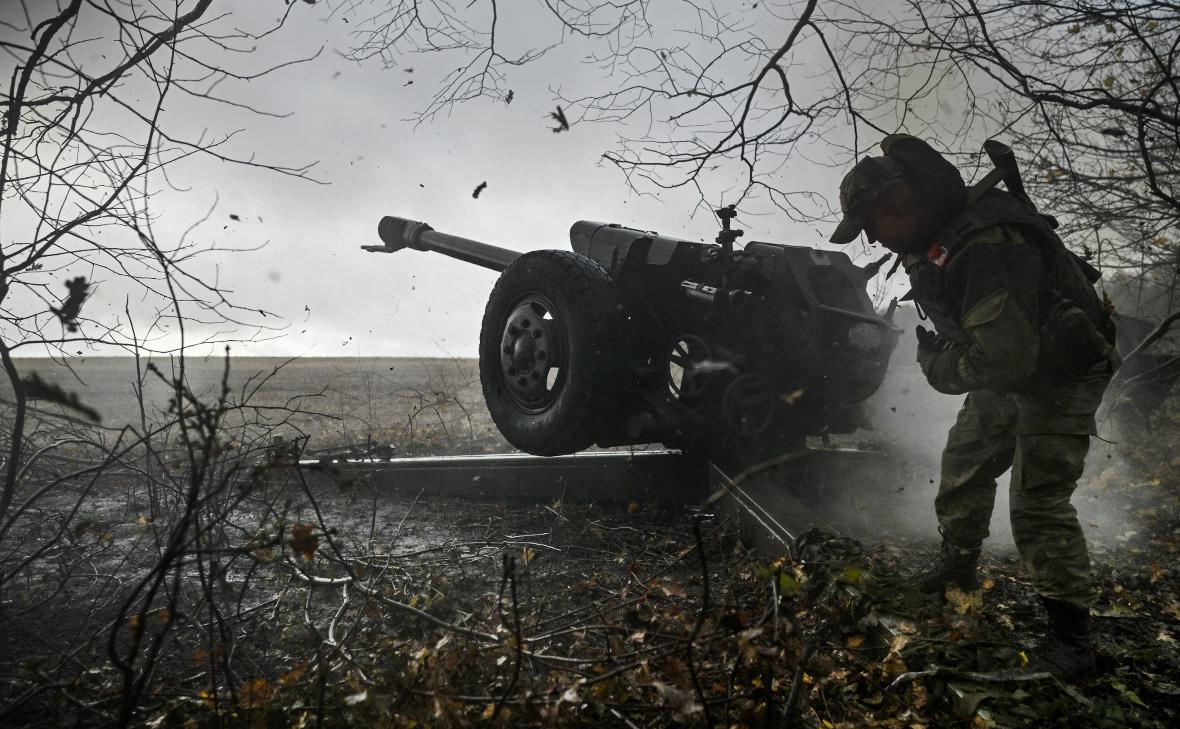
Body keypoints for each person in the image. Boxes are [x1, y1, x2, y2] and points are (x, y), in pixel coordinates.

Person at [829, 135, 1116, 680]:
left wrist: (940, 369)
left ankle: (1072, 640)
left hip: (1062, 373)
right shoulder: (934, 238)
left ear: (902, 202)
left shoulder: (987, 243)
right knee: (964, 462)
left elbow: (1005, 359)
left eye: (873, 224)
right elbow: (998, 353)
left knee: (1037, 502)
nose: (874, 238)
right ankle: (956, 568)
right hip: (1014, 362)